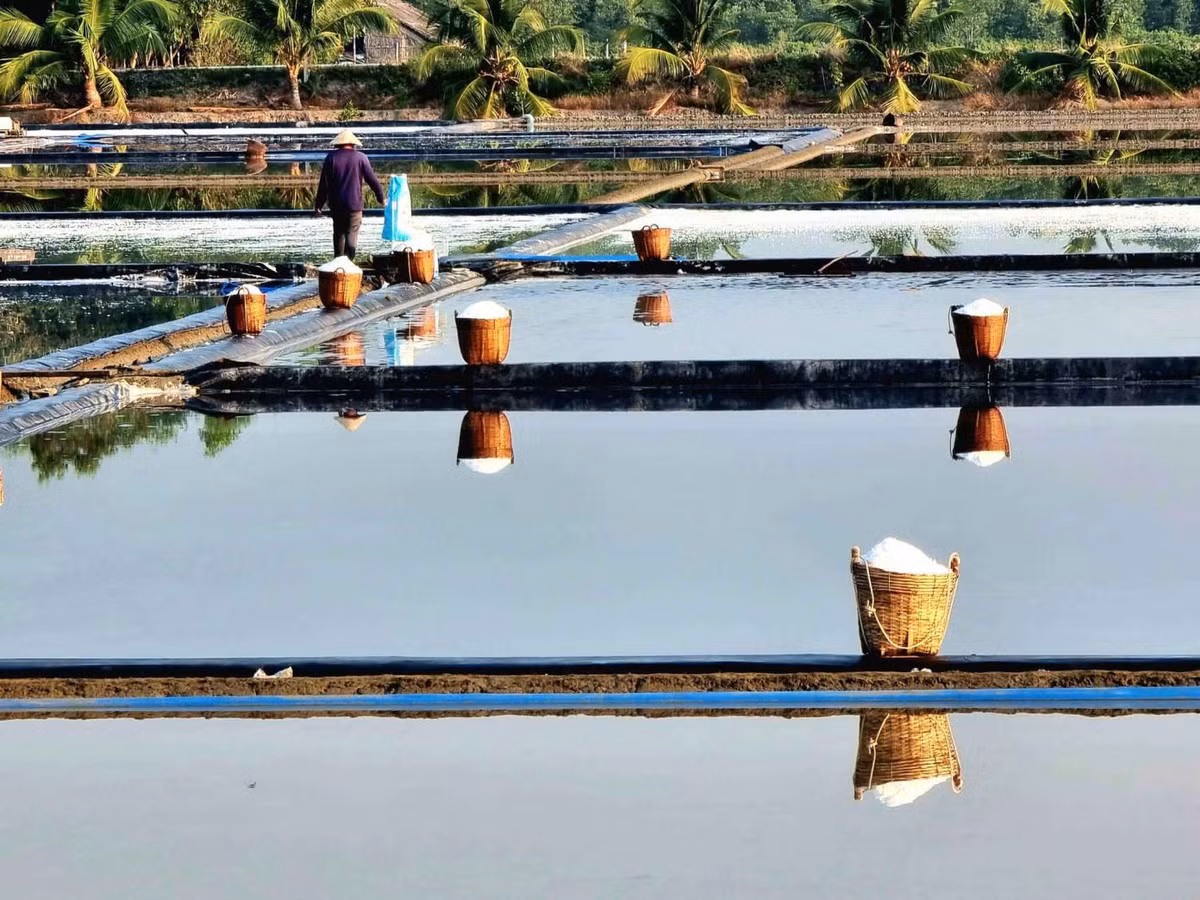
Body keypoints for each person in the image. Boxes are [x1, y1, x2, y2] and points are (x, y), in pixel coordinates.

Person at [314, 129, 384, 261]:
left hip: (336, 205)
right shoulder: (361, 158)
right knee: (352, 234)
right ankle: (348, 263)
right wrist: (381, 198)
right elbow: (372, 180)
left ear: (338, 144)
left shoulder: (331, 158)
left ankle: (337, 263)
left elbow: (324, 184)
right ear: (353, 144)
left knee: (339, 234)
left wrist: (319, 205)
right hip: (354, 205)